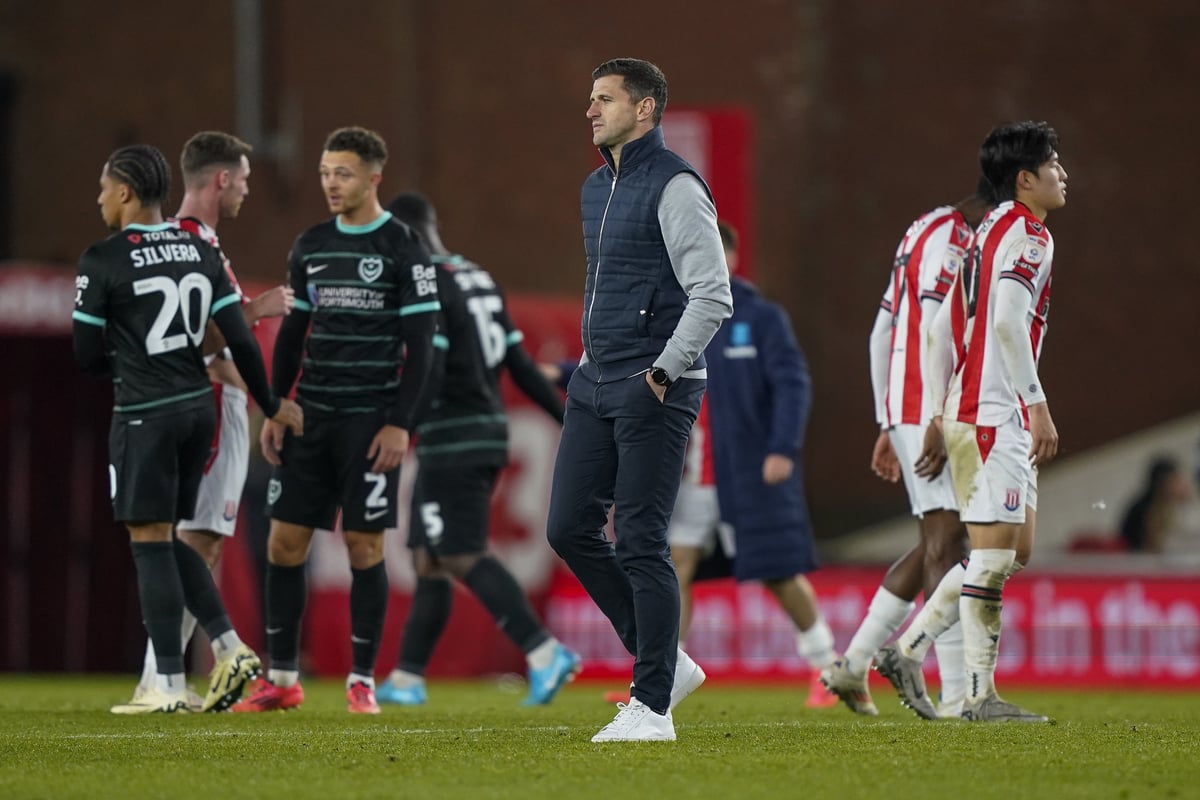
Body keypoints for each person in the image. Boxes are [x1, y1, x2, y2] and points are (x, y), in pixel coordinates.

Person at [73, 144, 302, 713]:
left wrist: (124, 368)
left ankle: (168, 685)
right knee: (177, 541)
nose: (99, 198)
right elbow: (241, 338)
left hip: (146, 411)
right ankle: (223, 647)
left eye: (104, 188)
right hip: (198, 410)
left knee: (154, 542)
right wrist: (270, 401)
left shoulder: (104, 257)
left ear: (125, 192)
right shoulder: (198, 248)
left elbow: (85, 354)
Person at [546, 58, 733, 743]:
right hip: (596, 382)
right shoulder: (597, 186)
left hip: (656, 385)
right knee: (567, 527)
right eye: (591, 99)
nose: (591, 111)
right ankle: (667, 662)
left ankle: (652, 707)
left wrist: (662, 372)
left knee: (643, 543)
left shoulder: (677, 185)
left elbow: (713, 293)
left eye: (605, 99)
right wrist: (593, 366)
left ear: (646, 109)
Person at [231, 127, 439, 715]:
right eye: (325, 172)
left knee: (364, 546)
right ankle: (283, 678)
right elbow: (293, 335)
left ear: (374, 177)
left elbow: (422, 346)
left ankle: (361, 679)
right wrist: (274, 405)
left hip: (370, 420)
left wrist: (400, 423)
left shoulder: (403, 247)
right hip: (311, 417)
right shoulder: (311, 245)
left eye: (342, 173)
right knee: (284, 541)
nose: (330, 183)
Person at [873, 120, 1067, 722]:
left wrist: (937, 409)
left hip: (969, 410)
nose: (1065, 175)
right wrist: (1035, 404)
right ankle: (978, 694)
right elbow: (1008, 322)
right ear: (1026, 178)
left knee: (1013, 550)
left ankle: (907, 649)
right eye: (1055, 165)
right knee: (992, 555)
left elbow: (938, 331)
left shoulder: (982, 232)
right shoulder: (1030, 236)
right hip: (993, 416)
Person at [375, 192, 580, 707]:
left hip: (454, 435)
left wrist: (402, 423)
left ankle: (542, 652)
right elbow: (521, 364)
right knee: (429, 557)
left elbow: (433, 366)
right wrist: (568, 421)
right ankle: (407, 677)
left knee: (460, 553)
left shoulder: (429, 284)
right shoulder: (477, 276)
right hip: (485, 429)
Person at [821, 186, 995, 718]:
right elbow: (936, 334)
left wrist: (886, 416)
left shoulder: (921, 229)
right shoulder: (953, 240)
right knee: (948, 540)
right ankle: (955, 698)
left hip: (909, 406)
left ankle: (852, 665)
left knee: (935, 542)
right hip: (929, 410)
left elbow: (883, 333)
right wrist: (932, 416)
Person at [669, 221, 838, 708]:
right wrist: (568, 375)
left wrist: (783, 447)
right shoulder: (676, 317)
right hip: (695, 473)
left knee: (778, 573)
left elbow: (792, 384)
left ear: (732, 257)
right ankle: (665, 678)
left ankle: (827, 667)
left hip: (748, 471)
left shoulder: (761, 318)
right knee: (674, 566)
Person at [1120, 456, 1192, 553]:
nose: (1183, 484)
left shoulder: (1177, 505)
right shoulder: (1147, 509)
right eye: (1176, 480)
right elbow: (1157, 547)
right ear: (1163, 484)